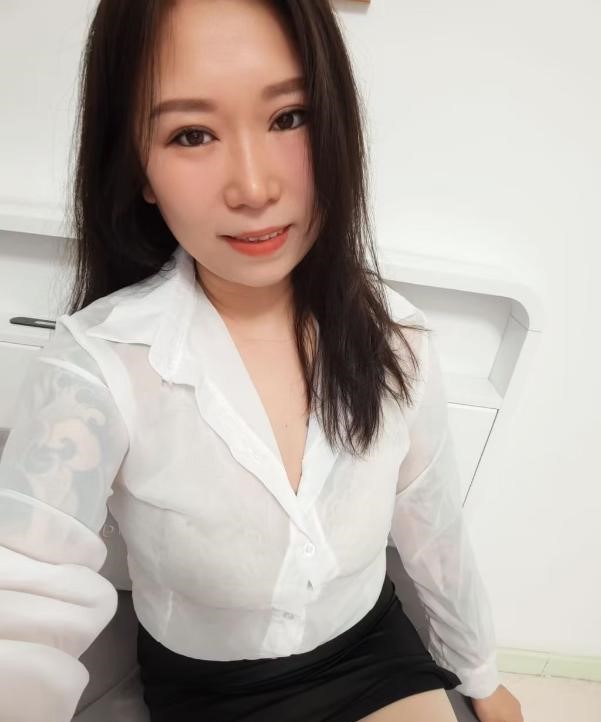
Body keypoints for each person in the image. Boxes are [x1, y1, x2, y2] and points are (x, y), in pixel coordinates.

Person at [0, 1, 524, 721]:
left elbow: (434, 533)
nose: (253, 188)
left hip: (370, 650)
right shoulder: (98, 366)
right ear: (139, 169)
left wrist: (481, 673)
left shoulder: (398, 341)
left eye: (288, 118)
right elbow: (22, 596)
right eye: (191, 134)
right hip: (212, 690)